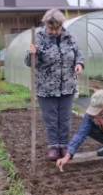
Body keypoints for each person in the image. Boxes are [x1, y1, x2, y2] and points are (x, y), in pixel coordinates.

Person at [25, 9, 84, 161]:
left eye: (57, 28)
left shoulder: (69, 37)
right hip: (46, 88)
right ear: (46, 25)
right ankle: (53, 146)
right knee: (51, 119)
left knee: (65, 119)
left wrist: (79, 64)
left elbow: (78, 54)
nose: (54, 32)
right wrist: (31, 53)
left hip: (67, 86)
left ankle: (64, 146)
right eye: (51, 28)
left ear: (61, 25)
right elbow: (30, 63)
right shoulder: (39, 38)